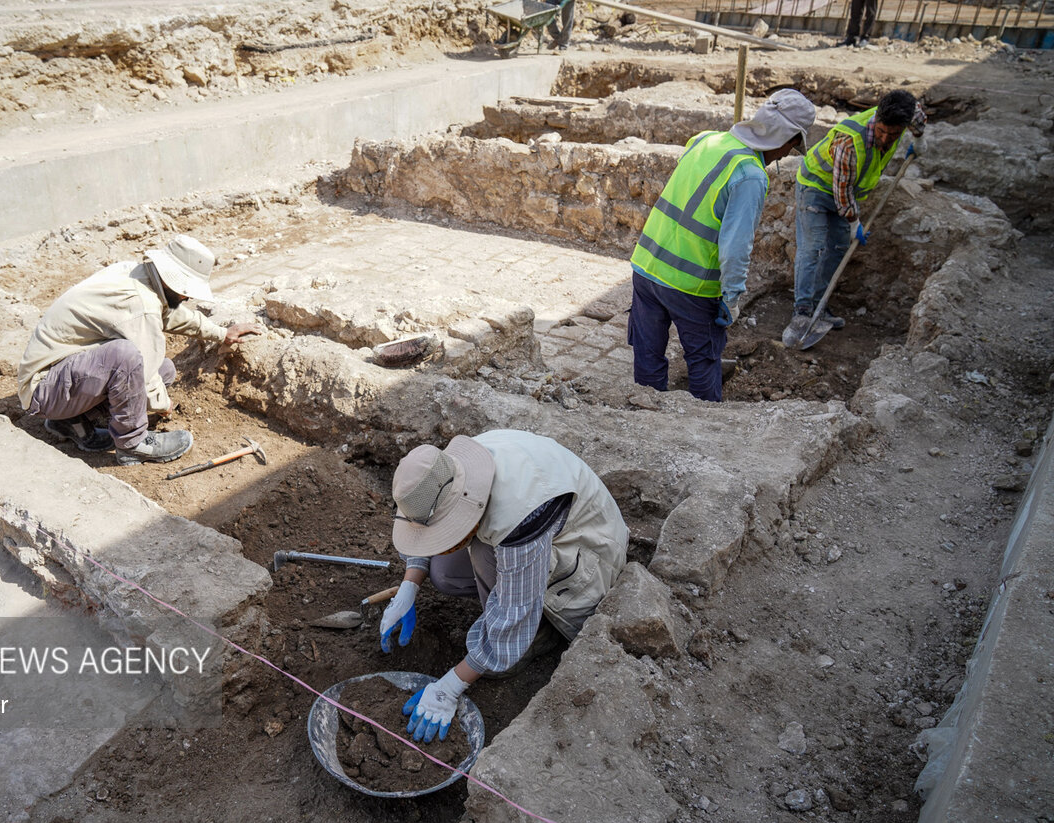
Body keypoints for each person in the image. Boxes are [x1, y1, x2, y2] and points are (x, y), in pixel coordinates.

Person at [379, 430, 629, 742]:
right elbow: (425, 533)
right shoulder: (451, 471)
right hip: (530, 534)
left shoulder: (518, 518)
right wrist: (409, 588)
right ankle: (513, 612)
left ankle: (538, 637)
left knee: (486, 557)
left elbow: (513, 611)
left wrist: (450, 687)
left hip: (588, 550)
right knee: (443, 571)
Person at [627, 89, 817, 402]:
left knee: (648, 356)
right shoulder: (750, 175)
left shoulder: (708, 140)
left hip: (646, 266)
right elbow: (736, 248)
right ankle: (706, 427)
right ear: (789, 138)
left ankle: (645, 416)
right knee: (702, 360)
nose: (787, 154)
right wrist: (732, 297)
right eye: (794, 144)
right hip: (690, 286)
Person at [17, 235, 261, 465]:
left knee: (163, 369)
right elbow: (143, 371)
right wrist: (162, 403)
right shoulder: (138, 302)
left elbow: (172, 315)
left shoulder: (138, 276)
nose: (187, 297)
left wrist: (221, 333)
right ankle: (132, 443)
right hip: (43, 389)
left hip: (60, 379)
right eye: (186, 289)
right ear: (171, 278)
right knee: (126, 357)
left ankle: (70, 422)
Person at [786, 89, 926, 342]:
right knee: (813, 248)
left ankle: (821, 304)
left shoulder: (906, 114)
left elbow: (918, 117)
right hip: (816, 187)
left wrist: (919, 140)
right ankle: (803, 310)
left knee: (838, 248)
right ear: (878, 118)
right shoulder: (850, 142)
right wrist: (854, 223)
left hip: (845, 194)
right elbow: (842, 191)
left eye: (893, 135)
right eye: (882, 131)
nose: (885, 138)